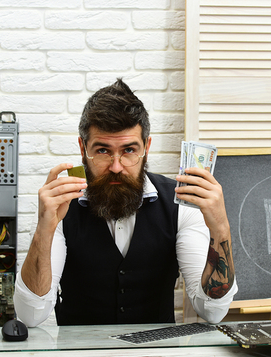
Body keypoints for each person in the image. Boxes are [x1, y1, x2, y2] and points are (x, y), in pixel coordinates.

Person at [14, 78, 237, 326]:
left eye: (129, 150)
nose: (116, 167)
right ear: (82, 148)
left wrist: (220, 227)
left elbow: (213, 311)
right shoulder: (62, 206)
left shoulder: (181, 204)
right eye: (103, 151)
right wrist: (44, 230)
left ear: (146, 147)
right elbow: (30, 315)